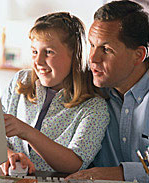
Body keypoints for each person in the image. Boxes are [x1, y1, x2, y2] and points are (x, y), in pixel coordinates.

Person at [1, 12, 110, 175]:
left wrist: (27, 132)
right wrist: (10, 156)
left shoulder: (94, 107)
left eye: (49, 52)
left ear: (74, 55)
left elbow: (74, 164)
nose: (38, 62)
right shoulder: (20, 81)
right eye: (34, 52)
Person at [66, 0, 149, 182]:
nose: (93, 59)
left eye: (106, 49)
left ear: (139, 55)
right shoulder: (87, 89)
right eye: (92, 45)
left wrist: (122, 173)